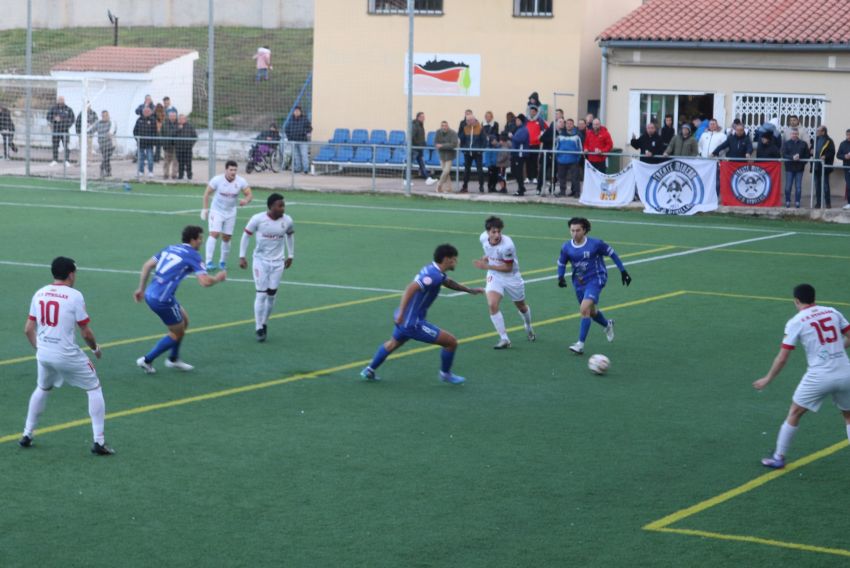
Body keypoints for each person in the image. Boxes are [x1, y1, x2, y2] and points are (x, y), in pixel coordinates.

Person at [19, 256, 113, 455]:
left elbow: (28, 329)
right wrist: (95, 348)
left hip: (43, 353)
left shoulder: (39, 293)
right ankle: (99, 442)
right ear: (71, 274)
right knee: (94, 387)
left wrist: (41, 350)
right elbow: (85, 332)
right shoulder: (74, 296)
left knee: (43, 388)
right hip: (66, 354)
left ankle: (27, 434)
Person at [753, 284, 850, 469]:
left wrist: (767, 378)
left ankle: (779, 457)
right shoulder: (832, 311)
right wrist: (835, 349)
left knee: (795, 412)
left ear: (796, 300)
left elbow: (782, 358)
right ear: (814, 298)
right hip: (846, 371)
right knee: (849, 415)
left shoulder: (796, 321)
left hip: (819, 376)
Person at [359, 244, 484, 384]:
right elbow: (410, 288)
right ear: (447, 259)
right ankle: (445, 374)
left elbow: (447, 282)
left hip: (404, 320)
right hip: (413, 323)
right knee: (451, 343)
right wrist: (401, 312)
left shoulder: (434, 270)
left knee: (392, 344)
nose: (456, 262)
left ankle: (369, 370)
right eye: (454, 259)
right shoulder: (433, 276)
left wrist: (469, 290)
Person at [134, 226, 227, 374]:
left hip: (152, 293)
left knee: (184, 320)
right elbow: (204, 282)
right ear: (192, 240)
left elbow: (147, 266)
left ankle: (173, 359)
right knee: (177, 333)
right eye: (200, 238)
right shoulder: (193, 255)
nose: (201, 242)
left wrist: (140, 289)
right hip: (162, 300)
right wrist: (217, 278)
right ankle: (147, 360)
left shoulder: (170, 248)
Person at [557, 217, 631, 355]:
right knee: (591, 312)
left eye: (578, 230)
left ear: (584, 230)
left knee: (584, 308)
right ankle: (607, 324)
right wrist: (560, 276)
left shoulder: (596, 244)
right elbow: (561, 263)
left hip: (596, 279)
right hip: (579, 282)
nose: (574, 233)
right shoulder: (566, 246)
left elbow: (612, 254)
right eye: (572, 230)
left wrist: (623, 271)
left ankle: (580, 344)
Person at [239, 193, 295, 342]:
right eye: (280, 205)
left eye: (283, 205)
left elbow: (290, 235)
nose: (283, 208)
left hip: (278, 263)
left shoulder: (287, 220)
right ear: (271, 206)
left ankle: (265, 323)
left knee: (271, 295)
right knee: (261, 294)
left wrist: (291, 255)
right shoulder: (258, 219)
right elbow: (246, 236)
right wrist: (242, 256)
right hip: (260, 261)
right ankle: (258, 327)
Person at [474, 217, 535, 349]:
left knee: (521, 306)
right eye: (493, 232)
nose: (497, 235)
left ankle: (528, 326)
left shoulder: (508, 245)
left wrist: (487, 266)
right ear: (487, 232)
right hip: (494, 276)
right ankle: (504, 339)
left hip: (511, 277)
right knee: (492, 304)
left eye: (499, 232)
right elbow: (489, 253)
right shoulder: (483, 238)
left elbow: (508, 268)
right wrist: (485, 259)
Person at [201, 160, 253, 270]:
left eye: (235, 170)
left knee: (226, 238)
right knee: (214, 234)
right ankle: (208, 262)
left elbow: (249, 195)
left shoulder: (241, 181)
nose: (233, 172)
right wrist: (205, 209)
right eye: (231, 170)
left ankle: (222, 262)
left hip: (230, 212)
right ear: (226, 170)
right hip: (216, 211)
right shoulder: (217, 180)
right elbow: (206, 194)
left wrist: (246, 200)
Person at [781, 127, 809, 208]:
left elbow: (807, 155)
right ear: (790, 134)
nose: (794, 135)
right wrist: (792, 157)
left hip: (799, 168)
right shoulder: (787, 143)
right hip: (789, 168)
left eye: (796, 134)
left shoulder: (803, 143)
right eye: (793, 134)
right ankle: (787, 201)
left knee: (798, 187)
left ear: (798, 134)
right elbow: (784, 154)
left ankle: (797, 201)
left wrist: (802, 162)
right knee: (788, 186)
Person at [556, 118, 583, 196]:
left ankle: (577, 192)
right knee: (561, 178)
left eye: (570, 123)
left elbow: (580, 149)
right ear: (565, 124)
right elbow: (556, 147)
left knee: (575, 178)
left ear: (573, 125)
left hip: (573, 160)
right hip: (561, 160)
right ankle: (562, 192)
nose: (568, 125)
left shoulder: (577, 136)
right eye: (567, 123)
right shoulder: (560, 136)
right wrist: (558, 157)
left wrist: (577, 159)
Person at [459, 115, 486, 193]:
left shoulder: (480, 128)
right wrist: (464, 150)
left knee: (479, 170)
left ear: (473, 120)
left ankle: (481, 186)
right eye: (466, 121)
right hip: (467, 153)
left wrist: (480, 151)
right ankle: (465, 186)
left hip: (477, 153)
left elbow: (484, 142)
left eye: (468, 120)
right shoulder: (465, 128)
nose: (467, 122)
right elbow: (461, 140)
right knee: (466, 170)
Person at [47, 96, 74, 167]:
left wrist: (64, 122)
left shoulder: (68, 109)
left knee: (66, 145)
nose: (61, 101)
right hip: (56, 130)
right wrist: (54, 119)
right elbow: (48, 117)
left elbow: (72, 119)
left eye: (62, 100)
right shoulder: (53, 108)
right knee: (55, 145)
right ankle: (55, 160)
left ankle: (66, 160)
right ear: (57, 101)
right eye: (59, 100)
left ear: (64, 100)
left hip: (65, 131)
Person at [812, 125, 835, 209]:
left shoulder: (829, 141)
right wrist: (811, 151)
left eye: (818, 131)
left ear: (823, 132)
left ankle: (828, 203)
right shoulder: (816, 140)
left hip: (824, 167)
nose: (817, 132)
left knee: (825, 186)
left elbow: (832, 152)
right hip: (816, 166)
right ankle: (818, 203)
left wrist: (825, 156)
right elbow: (812, 149)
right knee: (817, 185)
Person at [284, 106, 312, 174]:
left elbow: (310, 128)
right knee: (296, 155)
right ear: (293, 112)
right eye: (295, 111)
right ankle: (298, 168)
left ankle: (306, 169)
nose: (296, 112)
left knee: (304, 155)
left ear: (300, 112)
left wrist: (304, 132)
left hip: (302, 141)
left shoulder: (304, 119)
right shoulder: (291, 119)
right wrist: (289, 138)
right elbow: (286, 129)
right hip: (293, 141)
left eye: (298, 111)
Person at [434, 120, 458, 193]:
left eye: (445, 125)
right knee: (446, 173)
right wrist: (445, 145)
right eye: (442, 126)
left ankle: (439, 185)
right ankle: (448, 188)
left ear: (448, 126)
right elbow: (435, 143)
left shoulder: (453, 133)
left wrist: (442, 145)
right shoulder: (438, 132)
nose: (444, 127)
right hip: (441, 155)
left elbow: (453, 144)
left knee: (446, 171)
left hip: (450, 155)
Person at [411, 112, 435, 184]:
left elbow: (420, 137)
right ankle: (406, 180)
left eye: (424, 117)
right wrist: (416, 144)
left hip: (419, 148)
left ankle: (427, 178)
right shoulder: (415, 125)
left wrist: (423, 144)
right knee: (410, 164)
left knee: (422, 164)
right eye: (422, 117)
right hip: (415, 148)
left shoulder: (420, 125)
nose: (424, 118)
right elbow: (412, 136)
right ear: (418, 117)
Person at [133, 106, 157, 179]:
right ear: (143, 112)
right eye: (145, 112)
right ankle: (141, 171)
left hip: (149, 144)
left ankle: (150, 172)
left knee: (150, 158)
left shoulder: (153, 120)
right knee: (140, 158)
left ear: (150, 112)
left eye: (148, 112)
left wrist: (152, 140)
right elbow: (135, 131)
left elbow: (155, 132)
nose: (146, 113)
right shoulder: (139, 120)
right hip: (141, 143)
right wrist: (137, 139)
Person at [93, 110, 117, 178]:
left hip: (110, 144)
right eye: (103, 116)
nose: (104, 117)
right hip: (102, 144)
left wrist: (111, 132)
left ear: (108, 115)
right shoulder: (98, 123)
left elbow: (114, 129)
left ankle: (105, 171)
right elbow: (91, 129)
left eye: (106, 115)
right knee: (106, 158)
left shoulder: (112, 122)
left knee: (106, 158)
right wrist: (84, 132)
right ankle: (107, 172)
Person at [511, 114, 530, 196]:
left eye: (518, 120)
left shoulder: (524, 130)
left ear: (521, 121)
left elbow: (521, 140)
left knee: (518, 171)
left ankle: (520, 189)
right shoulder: (519, 129)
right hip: (516, 153)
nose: (516, 122)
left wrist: (512, 137)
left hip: (520, 154)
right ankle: (521, 187)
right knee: (514, 170)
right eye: (516, 120)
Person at [175, 114, 198, 180]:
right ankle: (180, 176)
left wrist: (191, 144)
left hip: (188, 149)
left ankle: (189, 176)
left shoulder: (190, 126)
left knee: (188, 163)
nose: (180, 120)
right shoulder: (176, 126)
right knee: (180, 163)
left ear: (185, 119)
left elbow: (195, 137)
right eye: (179, 119)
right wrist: (178, 129)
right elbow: (173, 135)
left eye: (182, 119)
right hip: (179, 149)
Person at [160, 110, 179, 179]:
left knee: (176, 162)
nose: (172, 117)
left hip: (176, 146)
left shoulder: (179, 123)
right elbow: (161, 134)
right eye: (171, 116)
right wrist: (163, 143)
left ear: (176, 116)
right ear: (169, 116)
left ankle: (174, 175)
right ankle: (166, 174)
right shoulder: (165, 123)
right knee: (166, 161)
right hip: (167, 146)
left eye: (174, 116)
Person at [836, 129, 850, 210]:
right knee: (849, 186)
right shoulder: (843, 144)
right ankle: (849, 203)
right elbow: (838, 155)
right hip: (847, 167)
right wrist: (845, 156)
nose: (849, 136)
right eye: (847, 134)